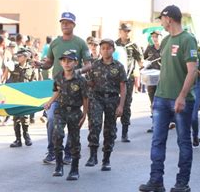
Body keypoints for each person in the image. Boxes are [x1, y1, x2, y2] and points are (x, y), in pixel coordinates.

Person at [139, 5, 198, 192]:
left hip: (181, 100)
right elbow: (166, 69)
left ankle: (182, 182)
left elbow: (193, 71)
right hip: (161, 99)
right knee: (157, 140)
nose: (161, 23)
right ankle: (156, 180)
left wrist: (181, 96)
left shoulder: (188, 40)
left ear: (169, 18)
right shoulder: (164, 42)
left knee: (183, 141)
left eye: (161, 19)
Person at [35, 12, 91, 164]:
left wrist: (77, 71)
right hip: (57, 88)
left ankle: (68, 152)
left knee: (73, 122)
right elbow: (49, 63)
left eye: (68, 22)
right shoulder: (54, 43)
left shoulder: (80, 43)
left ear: (73, 25)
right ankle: (52, 151)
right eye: (63, 22)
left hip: (74, 91)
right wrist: (40, 65)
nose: (65, 25)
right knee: (52, 119)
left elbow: (88, 64)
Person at [44, 50, 88, 180]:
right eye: (64, 61)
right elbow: (57, 91)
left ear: (75, 63)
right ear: (60, 63)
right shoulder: (58, 77)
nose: (66, 63)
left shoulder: (81, 80)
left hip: (75, 112)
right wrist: (49, 102)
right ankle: (58, 166)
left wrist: (85, 114)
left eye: (69, 61)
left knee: (74, 141)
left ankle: (74, 169)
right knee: (57, 135)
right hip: (61, 110)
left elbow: (85, 98)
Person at [85, 39, 127, 171]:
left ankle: (106, 159)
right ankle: (93, 156)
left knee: (109, 129)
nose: (105, 50)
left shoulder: (119, 66)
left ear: (113, 50)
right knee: (95, 125)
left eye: (108, 48)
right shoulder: (94, 65)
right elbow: (89, 83)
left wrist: (121, 105)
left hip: (112, 100)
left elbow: (123, 87)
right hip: (96, 98)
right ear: (100, 50)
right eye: (103, 48)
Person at [115, 23, 143, 142]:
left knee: (126, 105)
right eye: (124, 31)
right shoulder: (114, 45)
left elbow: (140, 61)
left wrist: (138, 69)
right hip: (114, 78)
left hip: (128, 78)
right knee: (113, 103)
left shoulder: (133, 45)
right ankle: (112, 129)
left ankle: (124, 133)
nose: (126, 33)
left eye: (128, 31)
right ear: (120, 31)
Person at [2, 48, 35, 147]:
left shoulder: (30, 69)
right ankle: (18, 139)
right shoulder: (14, 67)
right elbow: (7, 78)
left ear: (25, 57)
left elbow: (34, 82)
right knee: (16, 118)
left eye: (20, 56)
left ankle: (26, 136)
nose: (18, 57)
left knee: (25, 117)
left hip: (25, 96)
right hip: (15, 96)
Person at [143, 30, 162, 133]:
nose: (155, 38)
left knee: (161, 100)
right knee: (153, 101)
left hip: (162, 77)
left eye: (157, 36)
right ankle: (154, 124)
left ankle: (163, 122)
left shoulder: (164, 47)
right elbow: (144, 58)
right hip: (151, 77)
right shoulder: (149, 48)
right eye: (154, 37)